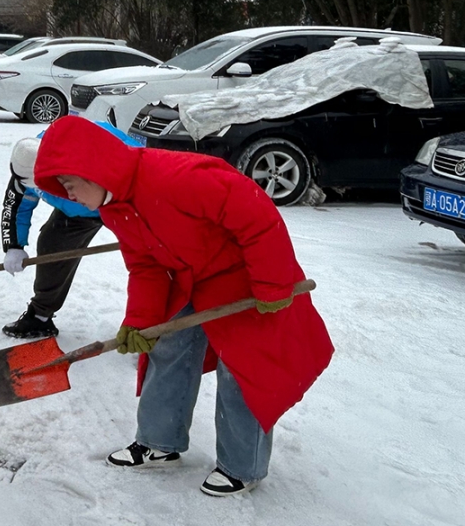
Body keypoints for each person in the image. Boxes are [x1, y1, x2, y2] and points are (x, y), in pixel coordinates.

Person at [33, 115, 334, 498]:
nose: (68, 195)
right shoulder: (114, 207)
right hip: (193, 276)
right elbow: (145, 265)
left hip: (248, 276)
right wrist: (141, 320)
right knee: (167, 346)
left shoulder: (176, 176)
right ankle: (160, 442)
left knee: (243, 370)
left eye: (70, 184)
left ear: (92, 171)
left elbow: (256, 215)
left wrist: (273, 282)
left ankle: (243, 467)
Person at [0, 123, 141, 338]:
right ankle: (40, 317)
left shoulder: (88, 146)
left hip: (123, 199)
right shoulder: (25, 166)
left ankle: (151, 327)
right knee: (52, 245)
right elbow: (16, 207)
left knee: (146, 260)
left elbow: (138, 165)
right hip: (78, 211)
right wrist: (14, 246)